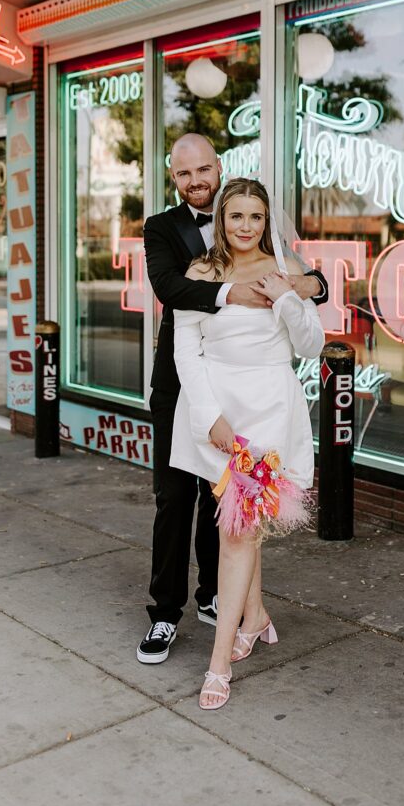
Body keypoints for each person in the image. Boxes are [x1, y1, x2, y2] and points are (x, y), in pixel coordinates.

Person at [138, 135, 327, 664]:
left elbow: (312, 288)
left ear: (218, 168)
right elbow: (170, 290)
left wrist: (301, 286)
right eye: (184, 174)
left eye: (203, 169)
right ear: (173, 178)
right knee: (175, 500)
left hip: (256, 397)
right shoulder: (162, 229)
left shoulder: (255, 231)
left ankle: (218, 597)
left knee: (227, 507)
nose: (196, 180)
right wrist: (231, 292)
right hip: (186, 388)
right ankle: (164, 614)